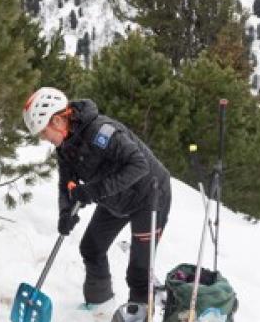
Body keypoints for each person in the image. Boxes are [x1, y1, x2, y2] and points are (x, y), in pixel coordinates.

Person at [22, 86, 172, 307]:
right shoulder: (65, 146)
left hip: (149, 197)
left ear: (56, 121)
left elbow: (138, 165)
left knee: (139, 272)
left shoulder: (101, 131)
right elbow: (66, 183)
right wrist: (65, 212)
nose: (44, 138)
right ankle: (100, 303)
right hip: (115, 197)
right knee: (91, 247)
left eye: (44, 132)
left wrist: (94, 190)